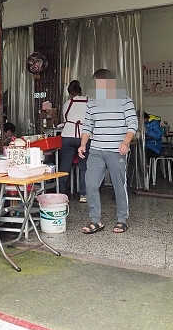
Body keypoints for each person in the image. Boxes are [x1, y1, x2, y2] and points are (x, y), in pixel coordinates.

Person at [78, 69, 138, 234]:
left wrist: (126, 142)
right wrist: (83, 144)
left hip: (116, 150)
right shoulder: (92, 103)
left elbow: (133, 123)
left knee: (119, 185)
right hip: (96, 150)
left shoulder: (125, 100)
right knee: (90, 184)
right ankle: (95, 220)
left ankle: (122, 219)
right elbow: (87, 125)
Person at [58, 80, 89, 201]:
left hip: (68, 135)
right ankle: (83, 194)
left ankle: (62, 194)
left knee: (65, 166)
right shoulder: (89, 102)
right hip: (84, 136)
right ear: (80, 90)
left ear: (70, 93)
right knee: (83, 166)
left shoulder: (67, 103)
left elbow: (66, 118)